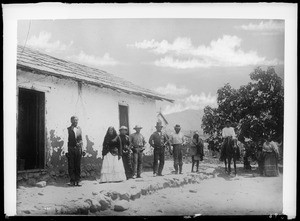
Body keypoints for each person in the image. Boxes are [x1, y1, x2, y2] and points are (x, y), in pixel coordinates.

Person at [66, 116, 86, 186]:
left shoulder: (79, 129)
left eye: (77, 120)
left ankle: (78, 180)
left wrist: (83, 149)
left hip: (78, 149)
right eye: (74, 120)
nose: (76, 122)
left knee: (78, 165)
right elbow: (66, 140)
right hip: (71, 149)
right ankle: (72, 180)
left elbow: (81, 139)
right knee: (71, 165)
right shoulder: (68, 129)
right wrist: (66, 151)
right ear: (71, 121)